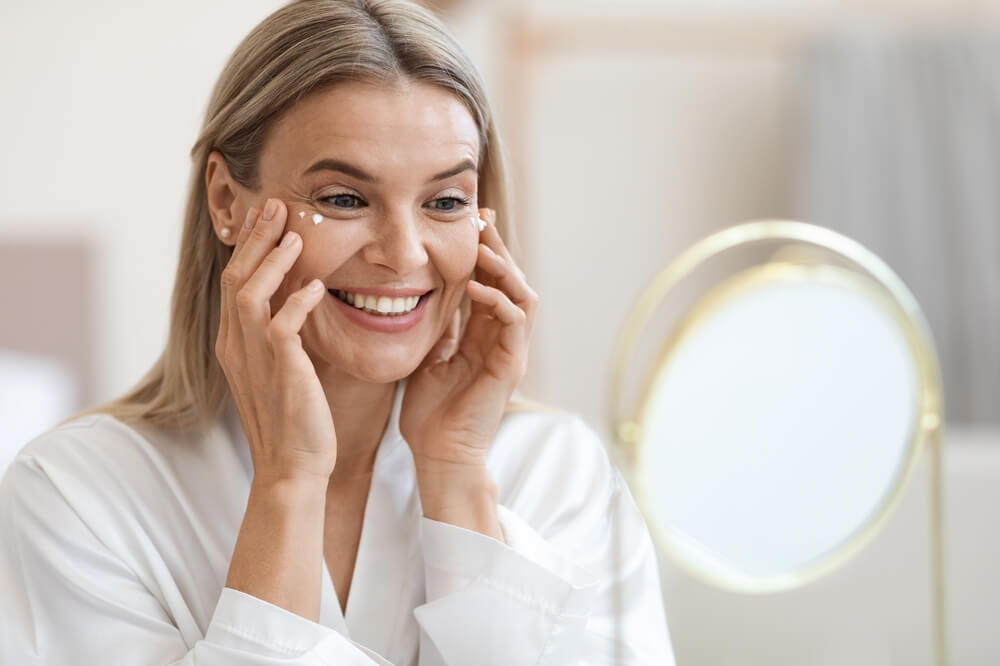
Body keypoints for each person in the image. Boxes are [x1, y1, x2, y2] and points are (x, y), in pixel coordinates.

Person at [0, 1, 675, 663]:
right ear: (226, 202)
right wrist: (288, 485)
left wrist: (456, 473)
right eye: (344, 199)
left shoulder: (558, 473)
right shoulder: (77, 497)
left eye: (445, 201)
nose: (405, 253)